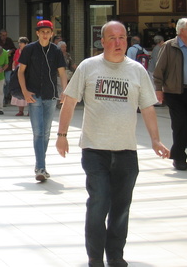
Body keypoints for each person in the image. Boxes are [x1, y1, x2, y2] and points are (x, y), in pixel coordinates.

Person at [56, 21, 169, 267]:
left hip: (127, 151)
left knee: (121, 206)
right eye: (113, 38)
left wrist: (156, 140)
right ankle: (95, 256)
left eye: (122, 38)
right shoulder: (89, 67)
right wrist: (62, 135)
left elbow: (148, 107)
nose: (118, 43)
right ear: (103, 41)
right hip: (95, 149)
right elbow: (70, 101)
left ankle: (115, 255)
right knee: (99, 201)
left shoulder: (137, 70)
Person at [17, 20, 67, 181]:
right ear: (37, 33)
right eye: (42, 31)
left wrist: (64, 92)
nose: (45, 34)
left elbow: (62, 73)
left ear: (52, 34)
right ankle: (41, 167)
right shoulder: (29, 49)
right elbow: (20, 72)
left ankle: (40, 164)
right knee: (38, 133)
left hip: (51, 95)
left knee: (45, 133)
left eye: (48, 32)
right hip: (33, 95)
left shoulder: (56, 51)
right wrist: (24, 91)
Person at [153, 18, 187, 171]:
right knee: (180, 124)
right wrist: (158, 89)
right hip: (175, 92)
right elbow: (159, 69)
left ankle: (179, 155)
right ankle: (178, 157)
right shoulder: (170, 46)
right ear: (181, 30)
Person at [0, 29, 16, 103]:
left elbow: (14, 49)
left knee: (8, 80)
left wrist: (11, 51)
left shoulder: (9, 40)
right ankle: (2, 100)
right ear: (0, 35)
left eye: (5, 35)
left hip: (8, 64)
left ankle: (6, 95)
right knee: (1, 82)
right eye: (3, 35)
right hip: (0, 64)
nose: (4, 37)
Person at [11, 37, 30, 117]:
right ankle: (20, 110)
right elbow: (14, 61)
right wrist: (13, 69)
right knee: (19, 89)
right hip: (18, 71)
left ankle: (30, 110)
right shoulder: (17, 51)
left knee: (29, 90)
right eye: (19, 43)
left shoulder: (29, 51)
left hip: (28, 72)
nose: (19, 45)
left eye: (21, 43)